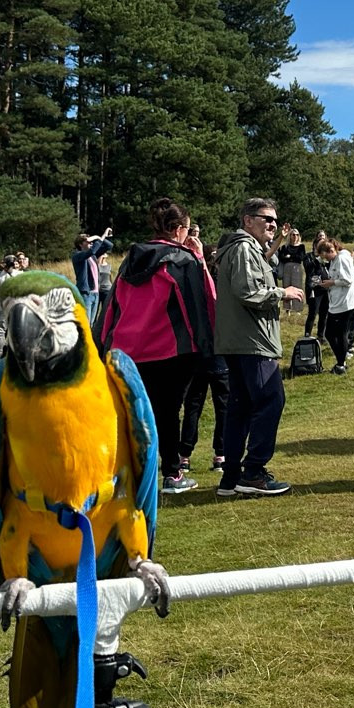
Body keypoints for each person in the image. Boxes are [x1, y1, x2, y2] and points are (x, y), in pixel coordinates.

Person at [100, 197, 217, 494]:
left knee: (130, 411)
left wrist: (103, 342)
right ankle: (172, 474)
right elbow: (202, 305)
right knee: (167, 413)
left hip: (128, 348)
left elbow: (111, 305)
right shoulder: (183, 260)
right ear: (178, 229)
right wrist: (207, 347)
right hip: (171, 348)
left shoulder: (132, 260)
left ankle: (125, 476)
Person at [211, 198, 302, 497]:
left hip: (240, 341)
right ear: (247, 220)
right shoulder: (243, 247)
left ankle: (232, 478)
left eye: (275, 219)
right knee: (271, 400)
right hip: (252, 342)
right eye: (266, 219)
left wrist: (276, 242)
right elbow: (248, 291)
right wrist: (282, 292)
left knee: (240, 408)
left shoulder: (248, 248)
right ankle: (253, 473)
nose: (272, 224)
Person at [315, 234, 354, 374]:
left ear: (331, 251)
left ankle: (341, 364)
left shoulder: (342, 258)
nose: (325, 259)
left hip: (345, 304)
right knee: (331, 333)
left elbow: (348, 280)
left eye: (325, 256)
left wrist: (331, 283)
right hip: (336, 303)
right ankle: (341, 362)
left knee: (339, 334)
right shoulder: (335, 259)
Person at [72, 228, 114, 327]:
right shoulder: (77, 256)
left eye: (91, 241)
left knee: (91, 323)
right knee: (85, 324)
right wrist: (97, 237)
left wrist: (99, 237)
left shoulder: (93, 256)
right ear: (80, 244)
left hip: (95, 293)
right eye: (88, 242)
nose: (91, 243)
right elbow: (92, 251)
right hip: (86, 294)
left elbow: (109, 245)